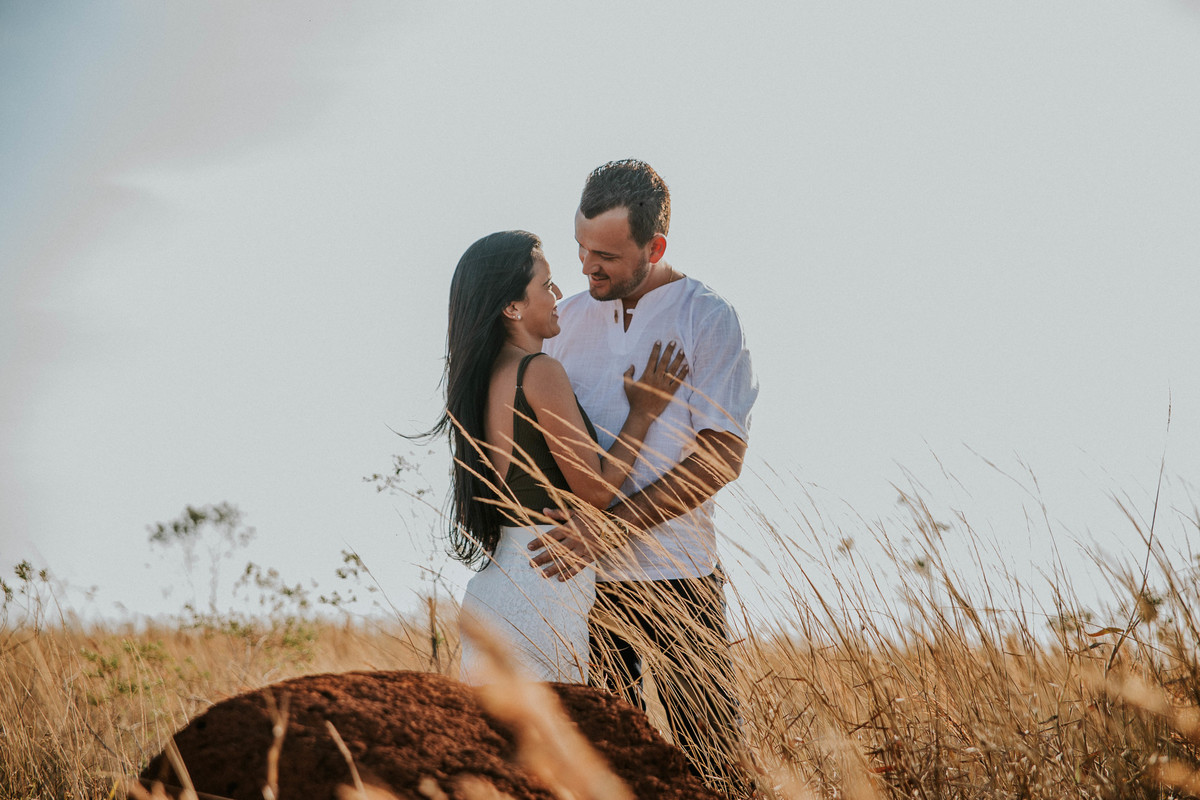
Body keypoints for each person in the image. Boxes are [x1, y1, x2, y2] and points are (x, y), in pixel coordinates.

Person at [531, 160, 759, 796]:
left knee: (713, 765)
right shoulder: (562, 320)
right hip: (583, 586)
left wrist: (608, 528)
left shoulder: (706, 317)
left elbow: (720, 457)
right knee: (606, 774)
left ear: (654, 247)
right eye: (579, 247)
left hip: (681, 579)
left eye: (605, 253)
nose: (586, 266)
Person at [426, 229, 688, 685]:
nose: (559, 295)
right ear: (513, 307)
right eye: (546, 286)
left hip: (499, 586)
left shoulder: (485, 379)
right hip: (543, 587)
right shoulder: (538, 372)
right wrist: (643, 412)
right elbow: (597, 490)